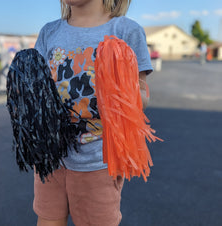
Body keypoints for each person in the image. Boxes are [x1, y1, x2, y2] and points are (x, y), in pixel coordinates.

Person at [33, 0, 153, 225]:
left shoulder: (125, 31)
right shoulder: (49, 32)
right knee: (48, 219)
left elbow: (143, 94)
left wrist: (118, 90)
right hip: (50, 158)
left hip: (98, 161)